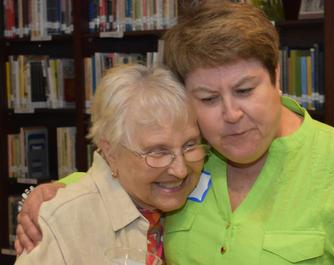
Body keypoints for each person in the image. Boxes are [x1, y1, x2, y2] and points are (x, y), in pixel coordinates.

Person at [16, 1, 334, 264]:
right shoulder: (184, 162)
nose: (231, 114)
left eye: (245, 90)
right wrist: (45, 196)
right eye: (207, 98)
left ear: (276, 76)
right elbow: (121, 176)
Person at [14, 64, 209, 264]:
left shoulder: (203, 198)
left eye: (189, 146)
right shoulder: (61, 222)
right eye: (158, 152)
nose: (181, 170)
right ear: (110, 151)